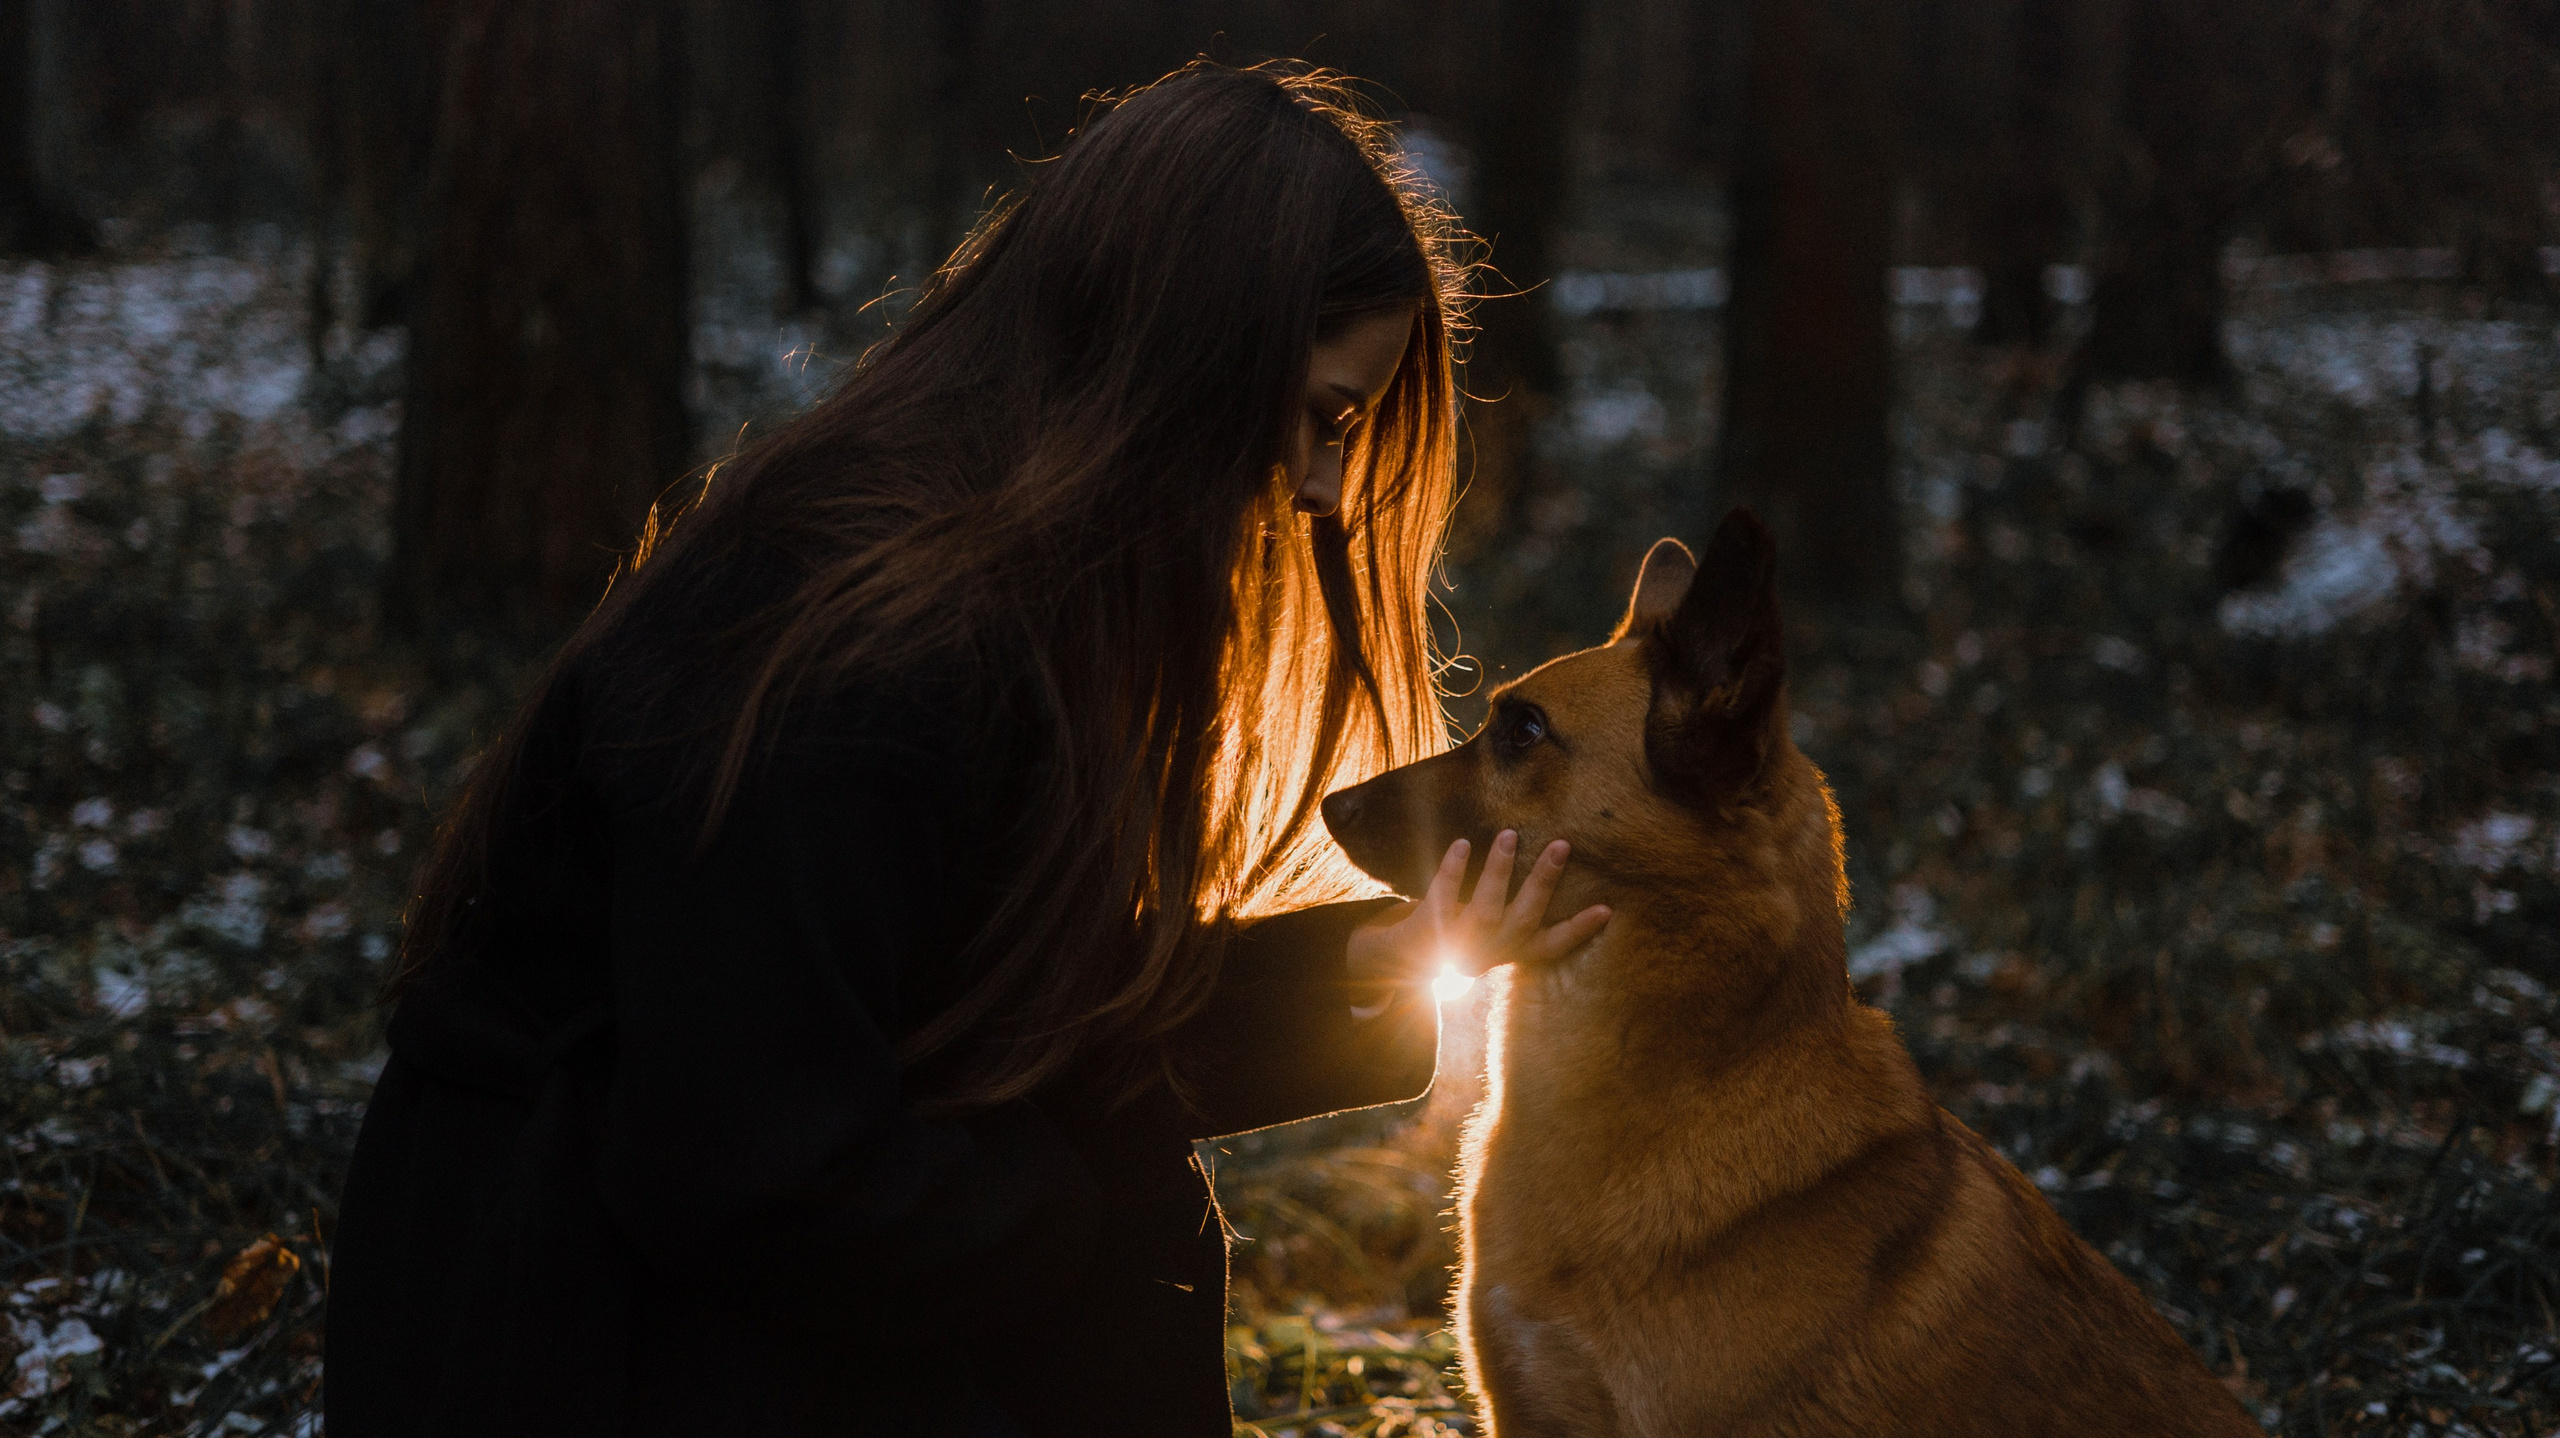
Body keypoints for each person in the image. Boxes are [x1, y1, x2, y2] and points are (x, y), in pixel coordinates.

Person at [323, 62, 1608, 1437]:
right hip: (588, 1342)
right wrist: (1083, 1216)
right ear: (1180, 354)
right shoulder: (847, 648)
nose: (1318, 487)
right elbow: (762, 1162)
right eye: (1323, 416)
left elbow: (1006, 1026)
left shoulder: (1007, 604)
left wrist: (1369, 963)